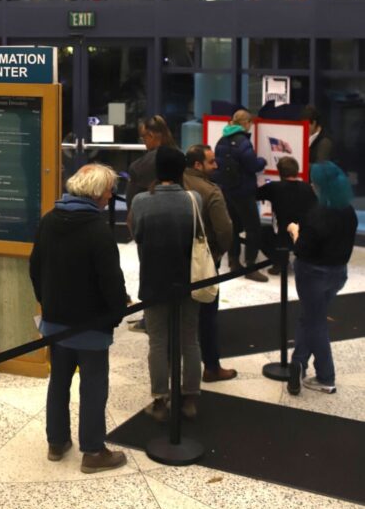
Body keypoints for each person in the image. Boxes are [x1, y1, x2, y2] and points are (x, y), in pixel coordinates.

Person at [29, 163, 129, 474]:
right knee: (93, 385)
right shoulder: (97, 228)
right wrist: (117, 312)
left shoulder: (49, 220)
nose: (112, 195)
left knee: (58, 381)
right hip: (91, 324)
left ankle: (56, 442)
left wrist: (46, 302)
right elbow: (110, 279)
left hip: (56, 321)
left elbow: (35, 267)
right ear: (98, 193)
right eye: (109, 190)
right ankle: (93, 450)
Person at [131, 146, 202, 421]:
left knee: (157, 342)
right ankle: (190, 397)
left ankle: (160, 400)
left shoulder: (140, 202)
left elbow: (138, 235)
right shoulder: (193, 198)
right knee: (190, 341)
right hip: (189, 280)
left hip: (154, 279)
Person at [287, 161, 357, 397]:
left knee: (315, 324)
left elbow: (302, 250)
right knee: (310, 317)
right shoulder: (348, 211)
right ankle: (298, 363)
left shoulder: (315, 215)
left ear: (319, 186)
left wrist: (295, 231)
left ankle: (326, 376)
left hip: (312, 274)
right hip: (338, 274)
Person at [184, 144, 237, 383]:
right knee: (207, 314)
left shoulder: (176, 181)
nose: (216, 165)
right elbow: (225, 231)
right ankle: (211, 367)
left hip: (176, 260)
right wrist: (218, 253)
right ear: (198, 165)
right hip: (205, 260)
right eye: (211, 162)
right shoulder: (211, 191)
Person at [214, 109, 268, 281]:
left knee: (234, 228)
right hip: (243, 191)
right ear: (245, 123)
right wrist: (263, 161)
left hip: (227, 191)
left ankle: (234, 262)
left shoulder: (222, 140)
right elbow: (253, 165)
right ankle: (251, 266)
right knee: (253, 228)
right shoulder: (243, 142)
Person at [256, 156, 317, 274]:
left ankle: (278, 261)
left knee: (259, 232)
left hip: (282, 236)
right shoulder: (307, 188)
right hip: (303, 235)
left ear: (280, 172)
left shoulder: (274, 187)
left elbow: (255, 195)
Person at [125, 115, 176, 220]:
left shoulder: (138, 166)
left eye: (143, 138)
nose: (144, 142)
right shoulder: (179, 156)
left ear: (151, 135)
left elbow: (132, 206)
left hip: (149, 219)